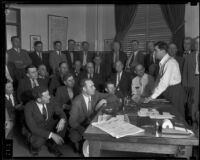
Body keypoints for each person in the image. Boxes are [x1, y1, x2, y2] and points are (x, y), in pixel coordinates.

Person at [144, 41, 186, 118]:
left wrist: (152, 97)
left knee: (177, 116)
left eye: (156, 50)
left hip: (174, 92)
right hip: (168, 90)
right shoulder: (164, 63)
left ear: (163, 51)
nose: (154, 52)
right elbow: (159, 81)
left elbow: (164, 82)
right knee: (169, 115)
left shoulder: (170, 63)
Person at [24, 86, 67, 156]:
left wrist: (62, 120)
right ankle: (34, 148)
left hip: (48, 124)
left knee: (63, 122)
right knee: (38, 142)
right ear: (39, 99)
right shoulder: (28, 107)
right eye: (46, 96)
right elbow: (33, 129)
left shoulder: (51, 100)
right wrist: (52, 135)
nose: (49, 97)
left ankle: (53, 146)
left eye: (48, 94)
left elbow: (61, 112)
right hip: (36, 129)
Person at [68, 79, 108, 154]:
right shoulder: (77, 102)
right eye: (91, 86)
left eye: (94, 85)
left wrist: (105, 101)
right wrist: (85, 131)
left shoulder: (95, 93)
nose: (95, 88)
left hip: (92, 122)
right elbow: (72, 121)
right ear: (84, 89)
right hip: (80, 126)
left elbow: (107, 95)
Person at [182, 37, 199, 123]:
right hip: (193, 81)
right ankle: (193, 121)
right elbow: (185, 72)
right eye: (196, 43)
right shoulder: (189, 57)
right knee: (193, 103)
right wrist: (185, 86)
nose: (198, 45)